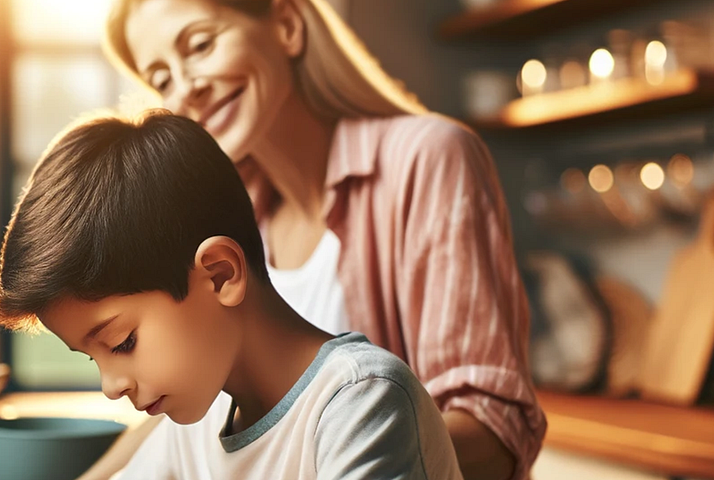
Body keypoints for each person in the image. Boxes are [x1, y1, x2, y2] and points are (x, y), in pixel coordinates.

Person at [97, 1, 545, 479]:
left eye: (201, 45)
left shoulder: (429, 158)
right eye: (162, 78)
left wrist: (330, 448)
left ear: (288, 26)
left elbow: (496, 433)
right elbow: (186, 429)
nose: (188, 88)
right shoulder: (229, 224)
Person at [0, 111, 462, 479]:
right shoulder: (196, 428)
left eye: (122, 342)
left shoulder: (361, 403)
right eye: (92, 357)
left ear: (220, 275)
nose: (111, 385)